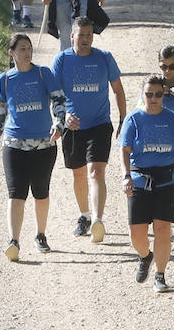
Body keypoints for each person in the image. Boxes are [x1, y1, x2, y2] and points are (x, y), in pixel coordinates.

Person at [0, 33, 65, 260]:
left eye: (29, 48)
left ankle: (40, 235)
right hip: (14, 145)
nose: (27, 53)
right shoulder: (5, 80)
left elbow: (59, 100)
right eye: (21, 49)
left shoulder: (43, 74)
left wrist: (59, 124)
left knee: (41, 193)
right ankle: (14, 241)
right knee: (16, 194)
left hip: (43, 145)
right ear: (12, 53)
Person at [51, 15, 127, 242]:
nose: (85, 39)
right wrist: (63, 118)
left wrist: (123, 119)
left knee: (96, 170)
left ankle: (97, 220)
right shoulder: (62, 60)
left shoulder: (104, 58)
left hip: (100, 124)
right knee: (79, 173)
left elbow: (118, 90)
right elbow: (54, 95)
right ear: (72, 36)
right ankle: (83, 215)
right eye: (81, 35)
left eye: (89, 35)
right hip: (73, 127)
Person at [119, 76, 174, 292]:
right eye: (149, 94)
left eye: (158, 94)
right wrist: (126, 176)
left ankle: (160, 274)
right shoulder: (133, 119)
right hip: (140, 180)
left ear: (164, 95)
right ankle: (145, 256)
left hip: (166, 180)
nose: (153, 98)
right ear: (143, 94)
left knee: (162, 229)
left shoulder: (173, 119)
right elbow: (124, 150)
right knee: (137, 233)